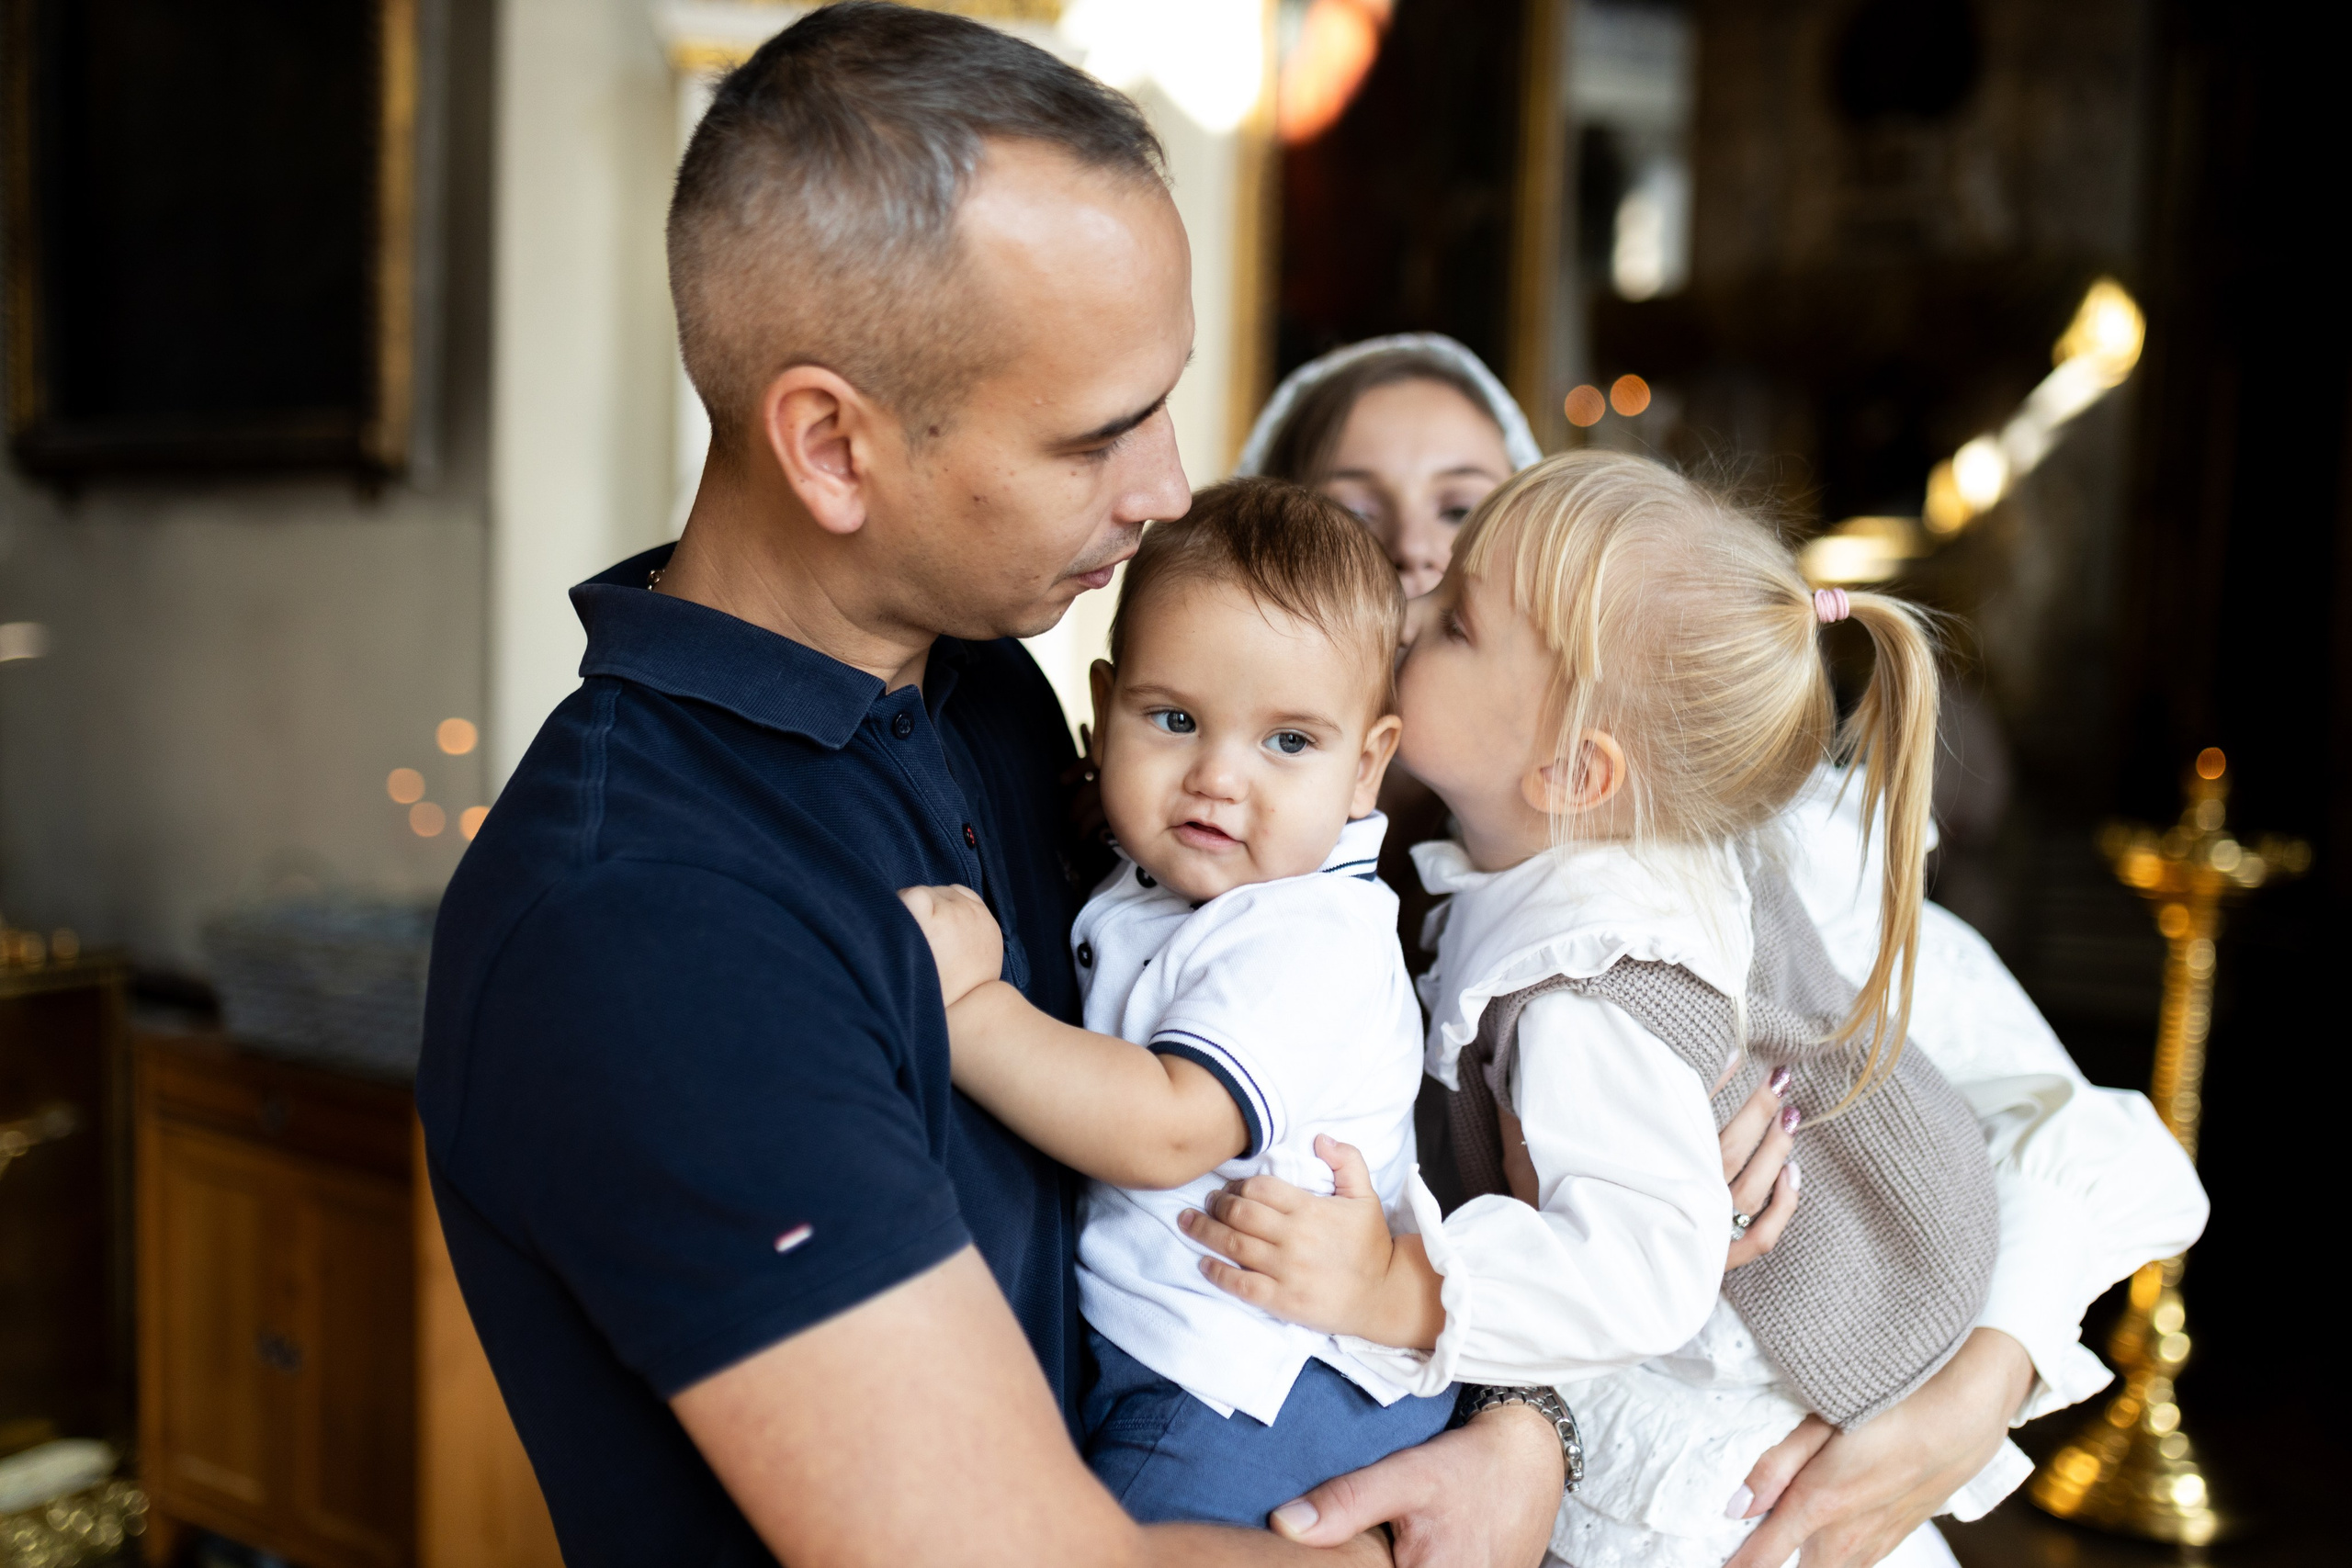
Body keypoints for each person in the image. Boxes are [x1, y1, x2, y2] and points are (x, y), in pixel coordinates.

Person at [415, 8, 1570, 1566]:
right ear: (832, 446)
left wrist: (1536, 1398)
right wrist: (1433, 1540)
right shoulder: (646, 918)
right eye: (1099, 435)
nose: (1167, 487)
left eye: (1164, 400)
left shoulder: (988, 687)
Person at [1183, 455, 2211, 1567]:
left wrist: (1397, 1283)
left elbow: (1637, 1277)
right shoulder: (1642, 857)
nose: (1407, 596)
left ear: (1574, 772)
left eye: (1458, 620)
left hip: (1712, 1502)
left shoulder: (1589, 988)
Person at [899, 479, 1464, 1528]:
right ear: (1105, 712)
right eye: (1173, 720)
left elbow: (1166, 1127)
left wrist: (970, 1009)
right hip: (1197, 1361)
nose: (1218, 778)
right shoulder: (1189, 882)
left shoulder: (1307, 938)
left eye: (1288, 742)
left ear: (1366, 767)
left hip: (1255, 1387)